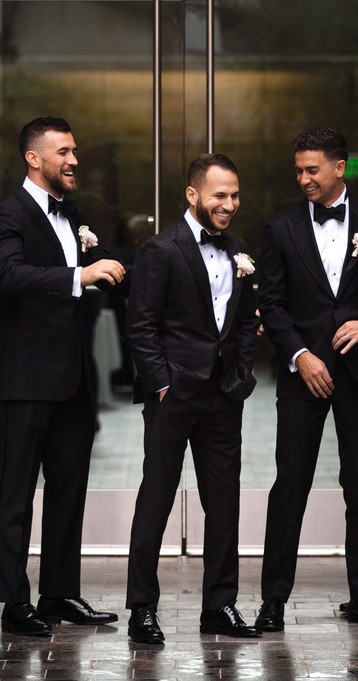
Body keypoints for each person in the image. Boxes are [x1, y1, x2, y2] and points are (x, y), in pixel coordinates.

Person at [255, 127, 358, 631]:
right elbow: (272, 303)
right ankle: (273, 600)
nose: (303, 178)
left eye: (313, 169)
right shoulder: (280, 227)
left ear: (339, 168)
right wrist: (300, 355)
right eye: (298, 169)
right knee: (291, 486)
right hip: (303, 373)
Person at [0, 117, 125, 635]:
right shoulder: (6, 215)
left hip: (72, 379)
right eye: (63, 151)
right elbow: (7, 275)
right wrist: (79, 275)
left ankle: (59, 594)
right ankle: (15, 603)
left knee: (69, 490)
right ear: (34, 158)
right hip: (24, 379)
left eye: (75, 150)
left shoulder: (75, 214)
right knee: (15, 494)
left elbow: (97, 272)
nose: (74, 160)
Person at [125, 153, 259, 643]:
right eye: (219, 195)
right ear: (193, 194)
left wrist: (241, 372)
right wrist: (161, 384)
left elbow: (245, 321)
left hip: (223, 395)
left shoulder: (241, 249)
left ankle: (219, 606)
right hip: (173, 395)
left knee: (224, 504)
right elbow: (140, 326)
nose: (229, 204)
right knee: (156, 500)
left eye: (235, 195)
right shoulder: (161, 250)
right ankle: (142, 608)